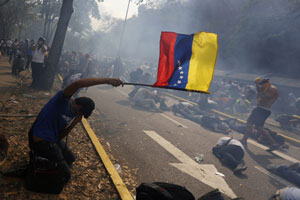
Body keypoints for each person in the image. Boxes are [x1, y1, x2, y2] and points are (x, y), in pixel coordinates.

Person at [27, 77, 123, 192]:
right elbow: (78, 84)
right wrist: (107, 80)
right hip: (40, 141)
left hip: (52, 140)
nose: (79, 114)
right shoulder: (63, 100)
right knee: (65, 176)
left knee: (70, 158)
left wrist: (74, 123)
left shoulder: (73, 113)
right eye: (80, 112)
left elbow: (60, 136)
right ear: (78, 105)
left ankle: (47, 161)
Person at [240, 77, 279, 150]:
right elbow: (259, 98)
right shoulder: (264, 89)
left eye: (259, 84)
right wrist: (259, 90)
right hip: (260, 109)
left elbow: (266, 97)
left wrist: (260, 90)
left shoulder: (272, 88)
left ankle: (244, 140)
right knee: (258, 127)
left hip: (262, 110)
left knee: (250, 123)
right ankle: (274, 143)